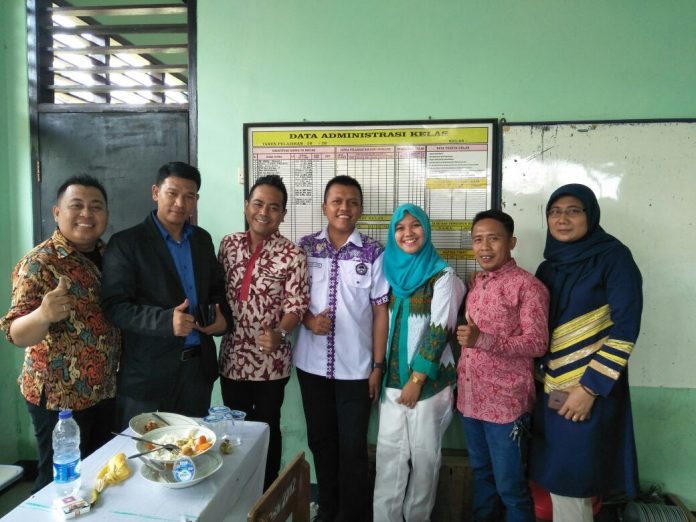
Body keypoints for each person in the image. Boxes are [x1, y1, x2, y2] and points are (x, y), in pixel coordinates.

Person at [529, 184, 643, 522]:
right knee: (555, 480)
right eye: (555, 212)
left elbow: (625, 329)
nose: (562, 219)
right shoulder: (549, 266)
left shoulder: (614, 258)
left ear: (590, 215)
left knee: (574, 483)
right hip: (549, 393)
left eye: (573, 211)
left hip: (588, 393)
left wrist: (590, 389)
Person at [0, 175, 121, 491]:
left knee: (98, 476)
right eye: (76, 206)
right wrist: (42, 315)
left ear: (106, 214)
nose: (87, 214)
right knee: (57, 482)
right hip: (59, 397)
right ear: (57, 212)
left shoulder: (111, 256)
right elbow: (15, 333)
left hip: (104, 389)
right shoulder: (40, 262)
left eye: (96, 206)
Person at [101, 161, 230, 428]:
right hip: (147, 375)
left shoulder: (202, 239)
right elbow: (114, 307)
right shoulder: (127, 243)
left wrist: (222, 320)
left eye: (189, 196)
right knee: (142, 448)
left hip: (197, 372)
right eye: (172, 193)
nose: (180, 203)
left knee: (191, 447)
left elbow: (217, 288)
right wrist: (165, 321)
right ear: (155, 192)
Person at [294, 175, 389, 522]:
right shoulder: (305, 248)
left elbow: (380, 312)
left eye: (352, 202)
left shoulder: (374, 252)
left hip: (357, 369)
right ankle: (327, 509)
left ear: (360, 209)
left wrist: (377, 366)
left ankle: (352, 514)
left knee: (352, 446)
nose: (344, 208)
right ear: (325, 207)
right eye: (337, 201)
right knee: (321, 441)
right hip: (311, 366)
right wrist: (308, 320)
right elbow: (292, 299)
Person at [373, 203, 465, 522]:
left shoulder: (443, 276)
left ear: (426, 230)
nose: (408, 233)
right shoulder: (389, 272)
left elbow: (440, 331)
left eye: (415, 226)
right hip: (391, 383)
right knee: (389, 459)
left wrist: (417, 380)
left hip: (428, 387)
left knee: (424, 462)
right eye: (400, 228)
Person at [456, 209, 550, 522]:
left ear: (511, 242)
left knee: (511, 488)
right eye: (478, 240)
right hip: (471, 402)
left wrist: (483, 340)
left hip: (506, 407)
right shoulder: (478, 283)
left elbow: (537, 343)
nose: (484, 247)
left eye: (493, 239)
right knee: (482, 476)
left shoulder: (528, 287)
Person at [217, 174, 309, 489]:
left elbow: (297, 305)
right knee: (234, 429)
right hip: (232, 358)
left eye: (273, 207)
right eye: (258, 204)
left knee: (267, 427)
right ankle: (236, 490)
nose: (264, 212)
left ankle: (266, 495)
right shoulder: (228, 245)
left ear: (283, 214)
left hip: (271, 362)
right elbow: (217, 293)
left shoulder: (293, 254)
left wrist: (280, 333)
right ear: (247, 206)